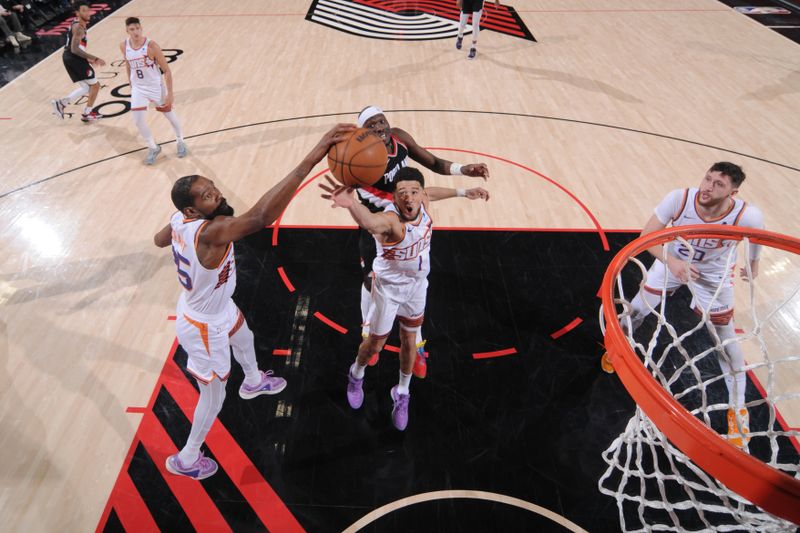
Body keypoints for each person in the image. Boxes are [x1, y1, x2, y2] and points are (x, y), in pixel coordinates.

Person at [154, 124, 355, 479]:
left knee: (244, 336)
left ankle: (253, 381)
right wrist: (314, 155)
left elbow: (160, 239)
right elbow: (262, 218)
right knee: (213, 396)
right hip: (201, 325)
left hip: (214, 307)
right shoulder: (212, 232)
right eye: (205, 196)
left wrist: (172, 234)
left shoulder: (180, 219)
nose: (215, 194)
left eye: (212, 187)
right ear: (192, 209)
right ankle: (187, 458)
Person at [320, 167, 490, 431]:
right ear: (394, 199)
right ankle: (356, 375)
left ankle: (401, 392)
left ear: (420, 193)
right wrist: (351, 203)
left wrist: (463, 192)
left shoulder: (423, 200)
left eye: (414, 192)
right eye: (402, 194)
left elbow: (432, 191)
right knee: (375, 346)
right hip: (388, 291)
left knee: (410, 342)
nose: (409, 198)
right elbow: (369, 222)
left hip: (417, 288)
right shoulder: (390, 221)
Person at [621, 162, 763, 448]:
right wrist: (671, 262)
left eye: (718, 184)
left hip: (713, 275)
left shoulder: (747, 216)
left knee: (725, 343)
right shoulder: (680, 199)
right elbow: (646, 236)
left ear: (732, 192)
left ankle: (738, 411)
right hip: (672, 262)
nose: (707, 187)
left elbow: (756, 242)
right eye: (707, 178)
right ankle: (617, 351)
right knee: (635, 310)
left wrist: (752, 263)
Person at [355, 105, 490, 379]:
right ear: (363, 132)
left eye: (381, 121)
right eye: (372, 125)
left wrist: (464, 169)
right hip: (381, 228)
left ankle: (415, 345)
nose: (379, 128)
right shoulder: (360, 159)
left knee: (413, 282)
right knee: (373, 279)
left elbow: (433, 162)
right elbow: (367, 199)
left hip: (409, 217)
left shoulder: (399, 138)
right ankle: (368, 331)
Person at [121, 16, 187, 165]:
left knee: (169, 116)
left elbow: (167, 70)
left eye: (137, 28)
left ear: (141, 28)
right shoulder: (123, 45)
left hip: (156, 86)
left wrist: (170, 94)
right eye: (132, 29)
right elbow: (128, 64)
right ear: (127, 31)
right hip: (139, 88)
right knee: (138, 120)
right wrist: (130, 83)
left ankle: (180, 141)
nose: (136, 31)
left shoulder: (151, 46)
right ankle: (153, 147)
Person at [50, 1, 105, 123]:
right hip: (73, 58)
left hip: (69, 57)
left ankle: (62, 103)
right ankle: (87, 113)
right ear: (77, 13)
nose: (88, 12)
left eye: (88, 10)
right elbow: (74, 49)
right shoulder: (79, 27)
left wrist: (87, 58)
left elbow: (77, 48)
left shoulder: (78, 24)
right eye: (84, 10)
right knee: (95, 86)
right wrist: (94, 58)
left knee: (86, 87)